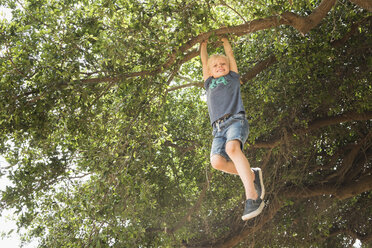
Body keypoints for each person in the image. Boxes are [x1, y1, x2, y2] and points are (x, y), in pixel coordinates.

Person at [200, 37, 265, 221]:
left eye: (223, 64)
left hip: (236, 120)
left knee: (232, 149)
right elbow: (204, 62)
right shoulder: (208, 82)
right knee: (217, 162)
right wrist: (203, 45)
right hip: (217, 130)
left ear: (228, 66)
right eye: (215, 66)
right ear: (210, 71)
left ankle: (252, 197)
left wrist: (225, 41)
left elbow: (230, 55)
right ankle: (252, 174)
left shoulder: (233, 77)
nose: (219, 66)